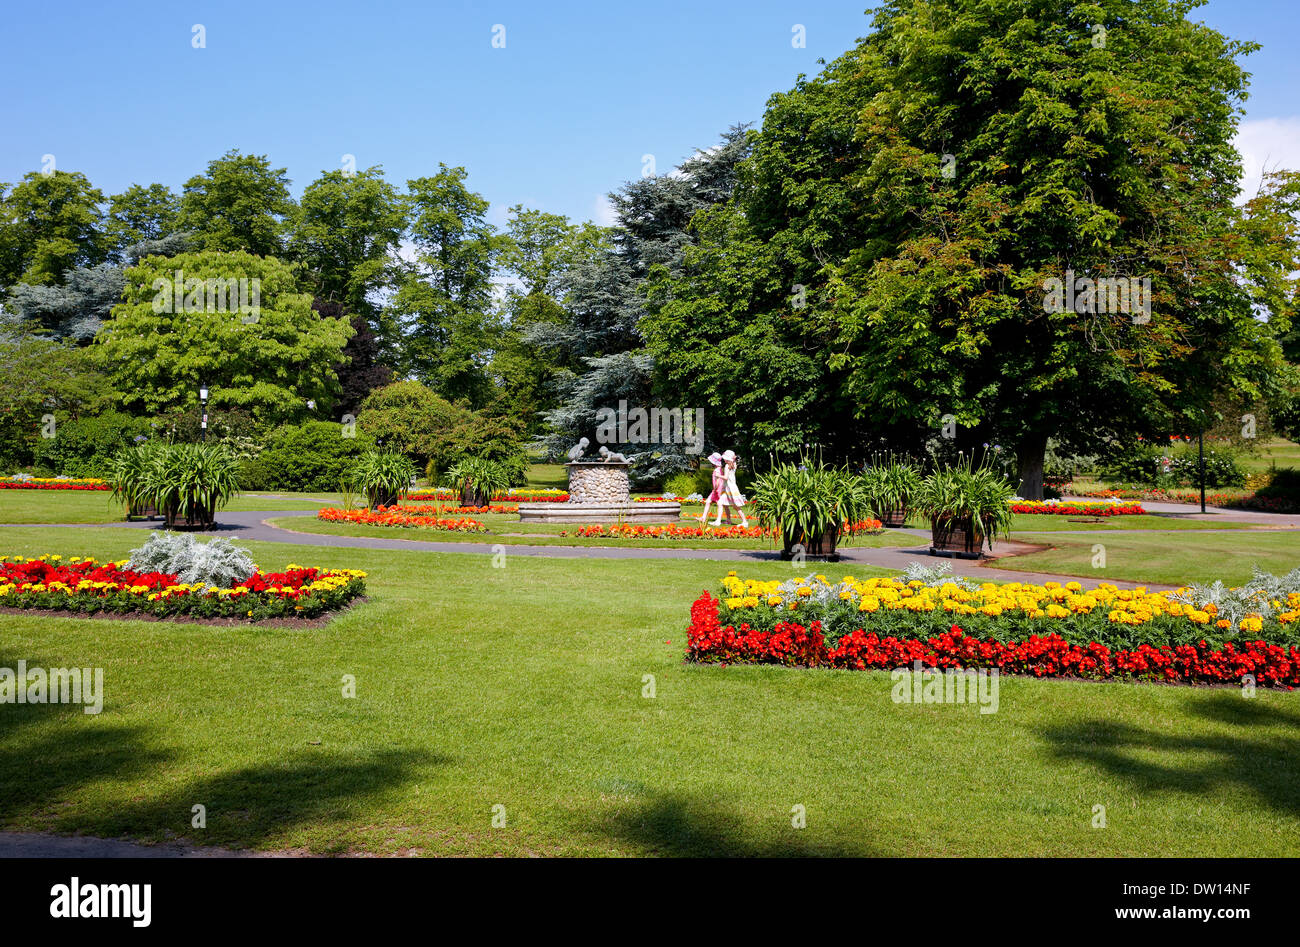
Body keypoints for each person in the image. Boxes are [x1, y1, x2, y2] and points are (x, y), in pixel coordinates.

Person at [711, 450, 749, 528]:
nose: (724, 460)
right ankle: (726, 520)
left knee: (735, 506)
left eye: (725, 458)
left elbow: (725, 478)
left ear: (728, 459)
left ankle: (745, 522)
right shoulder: (734, 464)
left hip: (730, 488)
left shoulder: (727, 466)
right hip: (730, 487)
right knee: (722, 503)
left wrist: (718, 476)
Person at [699, 452, 724, 524]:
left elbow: (718, 480)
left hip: (717, 490)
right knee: (708, 502)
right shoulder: (719, 468)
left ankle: (718, 520)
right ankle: (703, 518)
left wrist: (715, 489)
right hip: (718, 489)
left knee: (719, 504)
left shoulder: (717, 470)